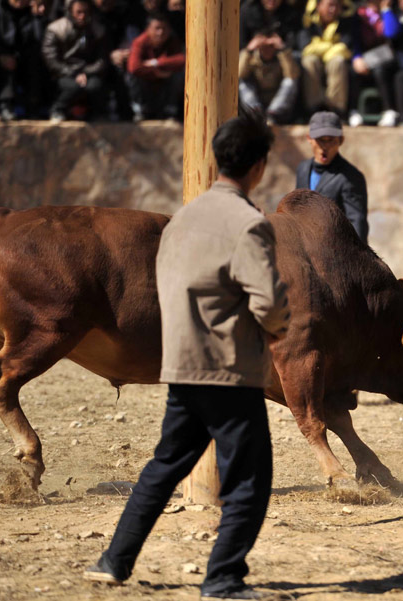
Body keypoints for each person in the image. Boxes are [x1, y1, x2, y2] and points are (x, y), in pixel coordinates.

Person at [83, 108, 290, 601]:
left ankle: (114, 559)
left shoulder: (182, 219)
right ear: (258, 166)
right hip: (228, 371)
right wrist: (278, 325)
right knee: (249, 480)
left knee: (164, 466)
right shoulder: (249, 224)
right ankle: (221, 579)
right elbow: (269, 304)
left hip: (181, 365)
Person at [295, 111, 369, 244]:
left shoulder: (351, 177)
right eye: (320, 140)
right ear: (309, 139)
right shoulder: (303, 169)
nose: (325, 147)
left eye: (331, 141)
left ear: (341, 140)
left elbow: (358, 223)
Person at [41, 0, 111, 122]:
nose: (82, 16)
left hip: (87, 72)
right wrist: (73, 73)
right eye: (78, 12)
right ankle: (58, 110)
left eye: (85, 12)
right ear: (70, 11)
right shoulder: (56, 29)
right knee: (72, 87)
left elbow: (102, 60)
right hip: (63, 73)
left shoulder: (97, 29)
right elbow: (51, 59)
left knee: (95, 86)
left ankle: (98, 114)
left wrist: (85, 72)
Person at [298, 0, 357, 117]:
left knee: (337, 62)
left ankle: (335, 109)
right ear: (319, 6)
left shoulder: (346, 22)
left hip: (335, 61)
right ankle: (314, 109)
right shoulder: (309, 22)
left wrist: (321, 49)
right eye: (330, 5)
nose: (333, 9)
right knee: (309, 61)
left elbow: (345, 48)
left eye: (336, 6)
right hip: (317, 61)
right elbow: (305, 48)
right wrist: (331, 48)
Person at [127, 12, 184, 121]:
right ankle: (140, 110)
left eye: (164, 28)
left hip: (165, 84)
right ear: (148, 29)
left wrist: (156, 63)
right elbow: (134, 67)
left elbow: (182, 60)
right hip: (146, 82)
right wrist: (156, 73)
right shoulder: (139, 42)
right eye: (157, 28)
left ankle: (170, 110)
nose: (160, 32)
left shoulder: (172, 41)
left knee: (179, 75)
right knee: (131, 76)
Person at [238, 25, 301, 123]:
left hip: (277, 102)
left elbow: (292, 75)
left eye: (271, 46)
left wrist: (283, 49)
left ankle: (272, 115)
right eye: (263, 46)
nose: (267, 49)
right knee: (242, 82)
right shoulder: (250, 57)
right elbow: (239, 74)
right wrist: (249, 50)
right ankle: (256, 113)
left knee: (290, 81)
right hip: (256, 100)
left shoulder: (282, 57)